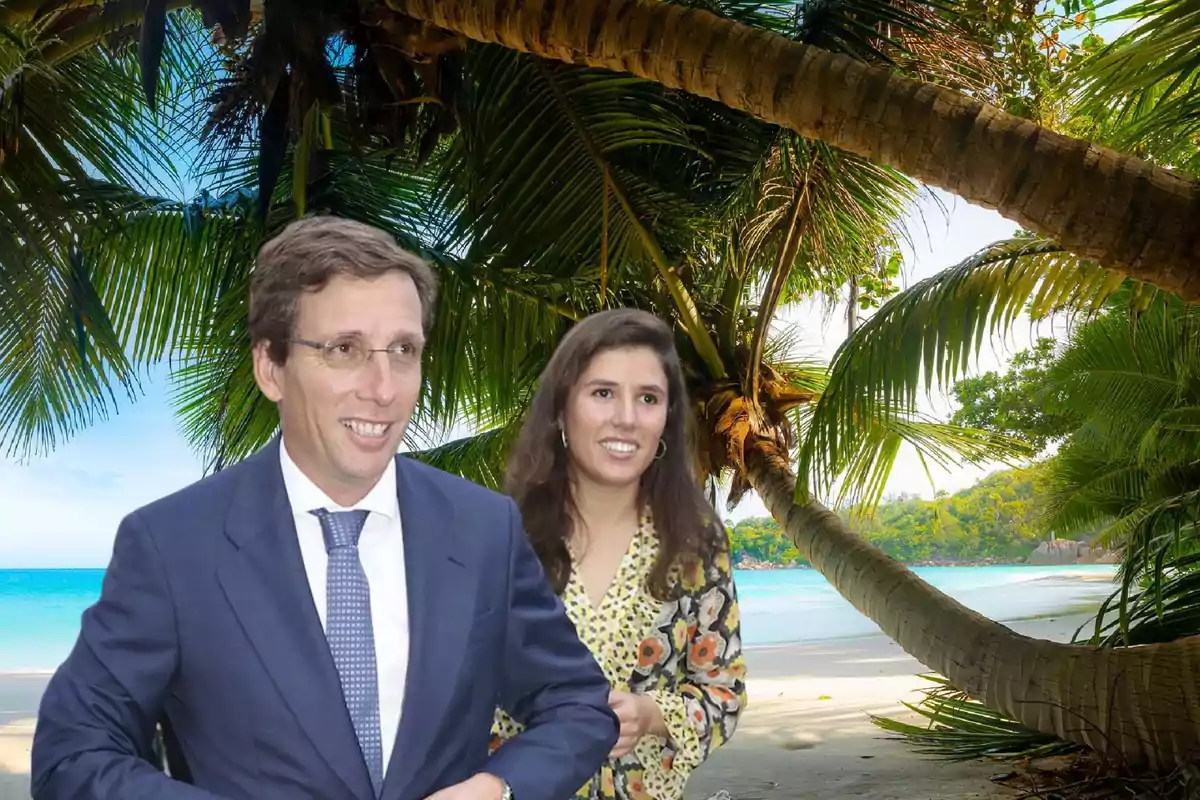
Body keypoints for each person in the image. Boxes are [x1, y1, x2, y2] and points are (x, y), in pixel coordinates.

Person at [30, 216, 619, 800]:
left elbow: (577, 704)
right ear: (271, 368)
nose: (384, 388)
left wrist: (498, 788)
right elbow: (72, 754)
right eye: (345, 349)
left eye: (404, 350)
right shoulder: (171, 545)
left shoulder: (482, 526)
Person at [490, 308, 747, 800]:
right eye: (603, 393)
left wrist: (653, 715)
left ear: (666, 419)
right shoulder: (498, 535)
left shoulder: (697, 544)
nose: (626, 418)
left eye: (647, 398)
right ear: (562, 409)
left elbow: (724, 693)